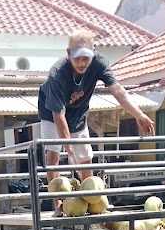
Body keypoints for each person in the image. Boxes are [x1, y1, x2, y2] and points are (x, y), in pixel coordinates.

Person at [38, 29, 154, 201]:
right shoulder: (57, 74)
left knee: (84, 156)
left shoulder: (99, 64)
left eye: (86, 57)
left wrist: (139, 114)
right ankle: (58, 203)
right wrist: (67, 146)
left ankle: (91, 199)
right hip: (52, 114)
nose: (82, 62)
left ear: (94, 53)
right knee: (54, 154)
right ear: (68, 54)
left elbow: (119, 92)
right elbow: (58, 115)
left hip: (78, 113)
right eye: (77, 58)